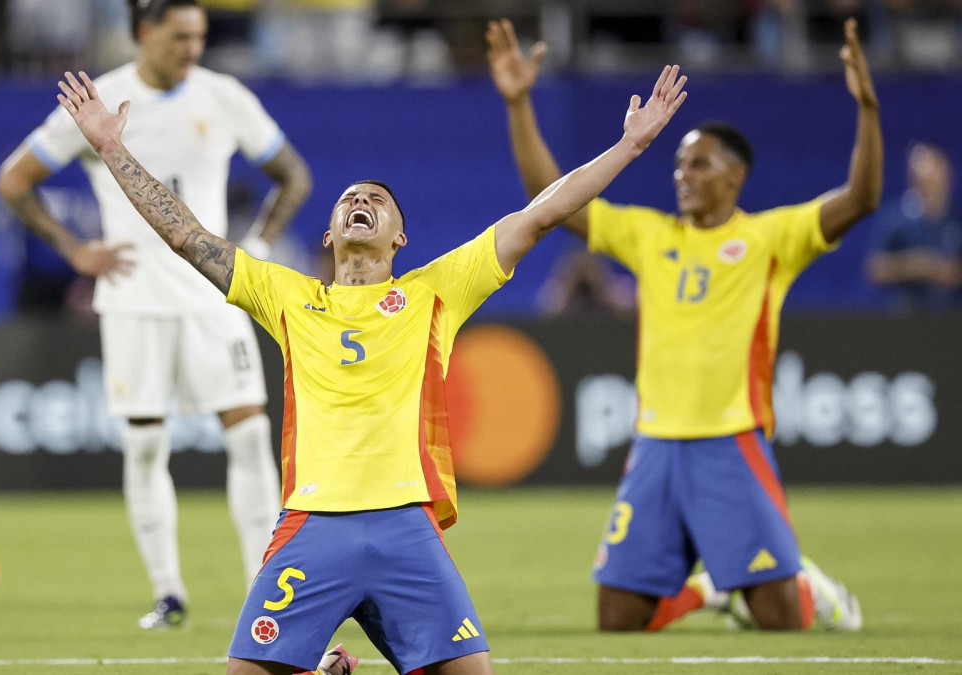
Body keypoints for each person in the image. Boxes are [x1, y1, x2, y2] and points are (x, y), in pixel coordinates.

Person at [53, 55, 686, 673]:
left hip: (405, 526)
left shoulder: (436, 291)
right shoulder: (287, 296)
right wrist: (111, 148)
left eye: (377, 200)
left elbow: (541, 214)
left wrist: (628, 147)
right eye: (350, 197)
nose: (361, 200)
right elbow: (187, 236)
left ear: (399, 239)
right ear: (330, 234)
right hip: (312, 524)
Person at [487, 17, 879, 632]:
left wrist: (868, 110)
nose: (683, 175)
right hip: (655, 443)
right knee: (617, 620)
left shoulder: (771, 238)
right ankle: (708, 591)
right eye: (678, 164)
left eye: (699, 164)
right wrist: (517, 103)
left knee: (782, 621)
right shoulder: (648, 235)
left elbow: (861, 199)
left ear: (734, 176)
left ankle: (808, 586)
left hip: (731, 439)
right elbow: (547, 196)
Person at [0, 0, 312, 630]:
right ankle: (168, 594)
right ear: (144, 32)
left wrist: (259, 246)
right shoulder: (100, 102)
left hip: (213, 297)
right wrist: (73, 249)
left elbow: (293, 175)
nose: (192, 48)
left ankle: (261, 583)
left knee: (250, 435)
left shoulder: (225, 97)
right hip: (134, 299)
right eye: (180, 36)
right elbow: (13, 180)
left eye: (199, 36)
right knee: (145, 445)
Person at [866, 141, 962, 311]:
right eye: (926, 177)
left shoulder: (957, 217)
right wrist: (915, 265)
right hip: (908, 314)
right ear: (913, 177)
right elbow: (875, 269)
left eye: (936, 174)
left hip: (952, 313)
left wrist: (947, 271)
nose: (932, 181)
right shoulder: (895, 218)